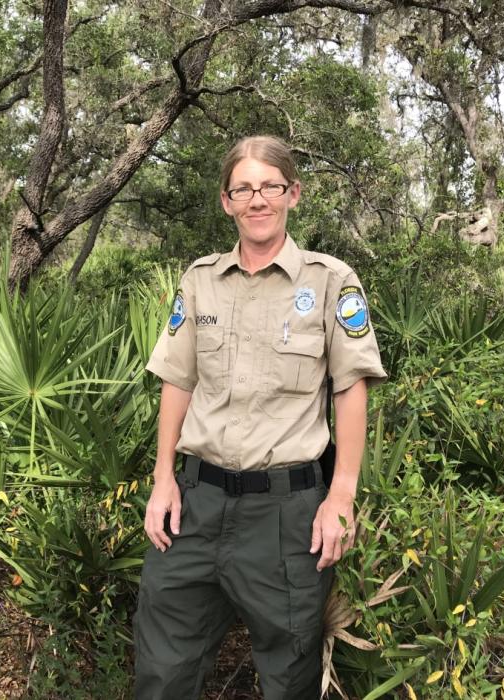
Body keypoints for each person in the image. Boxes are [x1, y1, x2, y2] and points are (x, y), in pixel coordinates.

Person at [133, 135, 387, 700]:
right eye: (243, 188)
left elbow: (351, 389)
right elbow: (178, 380)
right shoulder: (200, 280)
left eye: (269, 186)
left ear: (292, 193)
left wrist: (341, 497)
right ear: (227, 201)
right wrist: (162, 480)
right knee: (162, 670)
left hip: (286, 516)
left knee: (288, 676)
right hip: (194, 507)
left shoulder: (330, 281)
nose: (257, 199)